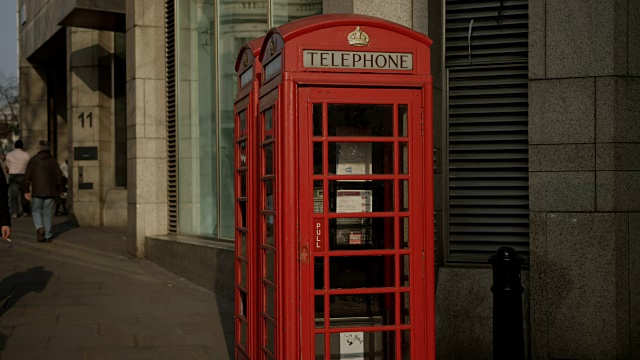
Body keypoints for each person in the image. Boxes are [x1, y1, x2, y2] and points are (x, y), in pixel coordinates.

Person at [24, 140, 62, 243]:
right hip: (50, 191)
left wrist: (26, 190)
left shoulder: (33, 160)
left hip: (37, 191)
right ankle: (48, 235)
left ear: (39, 148)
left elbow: (27, 176)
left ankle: (39, 227)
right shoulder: (53, 161)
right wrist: (57, 188)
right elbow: (60, 177)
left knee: (36, 210)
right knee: (47, 213)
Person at [5, 140, 31, 218]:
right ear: (22, 146)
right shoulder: (26, 154)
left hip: (13, 175)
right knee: (24, 194)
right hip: (23, 175)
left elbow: (7, 166)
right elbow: (29, 166)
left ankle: (14, 212)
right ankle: (25, 211)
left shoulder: (9, 154)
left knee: (13, 196)